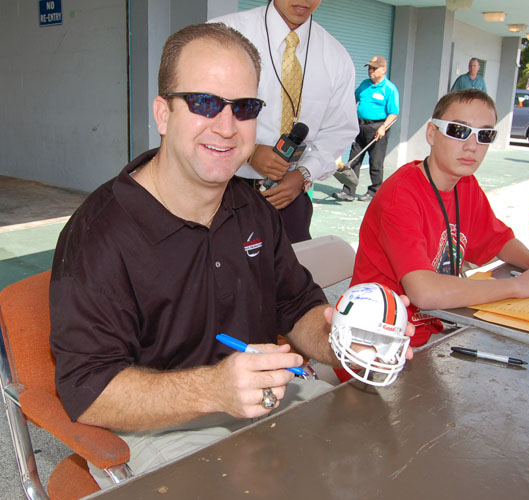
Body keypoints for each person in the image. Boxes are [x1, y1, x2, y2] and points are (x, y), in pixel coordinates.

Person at [49, 23, 413, 487]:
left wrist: (345, 338)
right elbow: (88, 391)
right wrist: (213, 389)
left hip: (268, 397)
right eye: (204, 103)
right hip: (162, 429)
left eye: (244, 108)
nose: (226, 126)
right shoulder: (99, 234)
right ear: (163, 114)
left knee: (387, 461)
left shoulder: (252, 208)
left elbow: (296, 307)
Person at [351, 89, 529, 347]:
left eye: (485, 135)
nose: (472, 146)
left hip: (432, 331)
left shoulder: (465, 185)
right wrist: (519, 286)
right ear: (432, 134)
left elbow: (498, 240)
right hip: (378, 345)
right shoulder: (400, 196)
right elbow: (424, 292)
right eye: (459, 131)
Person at [210, 0, 358, 242]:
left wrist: (302, 175)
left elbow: (339, 130)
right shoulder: (224, 34)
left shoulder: (336, 57)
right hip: (223, 187)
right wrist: (249, 152)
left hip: (290, 194)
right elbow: (198, 110)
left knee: (290, 274)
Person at [332, 56, 399, 202]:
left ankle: (374, 191)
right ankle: (348, 191)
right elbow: (353, 99)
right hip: (360, 126)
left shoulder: (389, 89)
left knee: (375, 163)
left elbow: (394, 112)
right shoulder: (365, 84)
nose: (371, 71)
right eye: (369, 68)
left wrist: (383, 127)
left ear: (383, 69)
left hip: (377, 128)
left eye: (374, 68)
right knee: (353, 159)